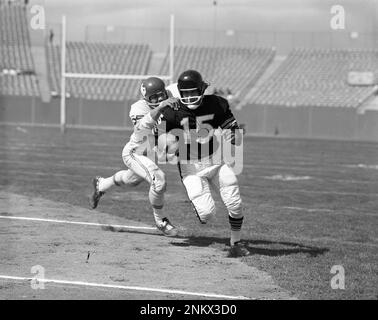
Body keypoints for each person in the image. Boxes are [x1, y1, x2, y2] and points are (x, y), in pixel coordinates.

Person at [163, 70, 248, 256]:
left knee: (234, 202)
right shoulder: (173, 111)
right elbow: (163, 140)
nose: (189, 96)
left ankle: (236, 242)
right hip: (191, 167)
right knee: (207, 214)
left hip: (217, 160)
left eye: (193, 92)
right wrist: (168, 144)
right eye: (185, 93)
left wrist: (233, 135)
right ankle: (200, 208)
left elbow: (234, 132)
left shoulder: (216, 104)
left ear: (202, 90)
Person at [90, 77, 179, 237]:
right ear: (146, 99)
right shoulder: (138, 108)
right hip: (135, 152)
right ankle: (161, 221)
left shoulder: (172, 92)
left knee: (130, 180)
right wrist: (161, 107)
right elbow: (142, 129)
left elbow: (185, 86)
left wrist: (199, 84)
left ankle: (101, 184)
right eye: (154, 98)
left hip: (150, 154)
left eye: (161, 95)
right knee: (159, 181)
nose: (159, 99)